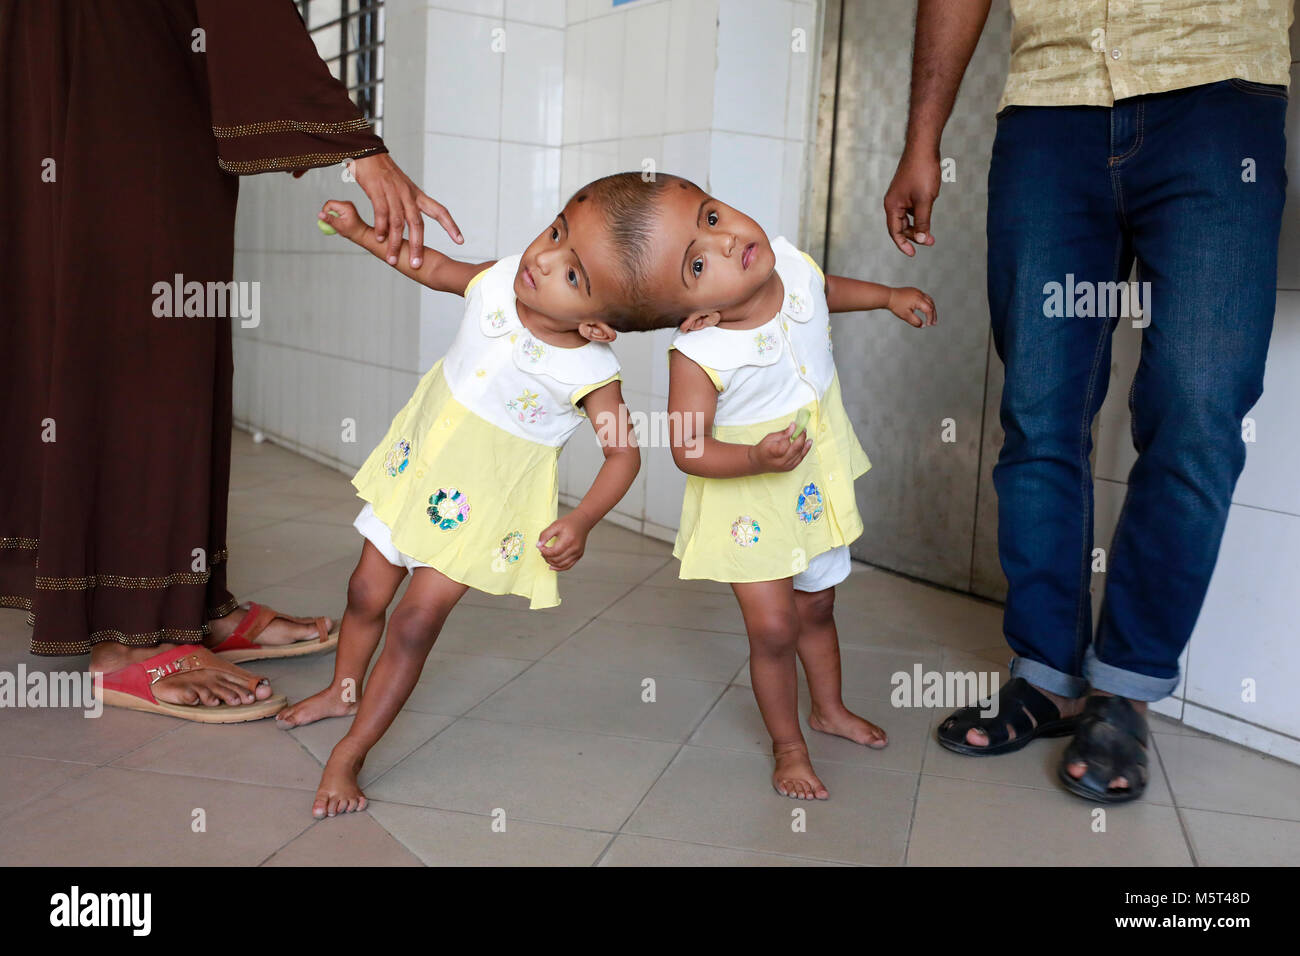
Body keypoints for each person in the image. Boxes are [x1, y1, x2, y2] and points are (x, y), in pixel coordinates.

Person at [1, 0, 462, 721]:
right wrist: (353, 144)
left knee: (143, 311)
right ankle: (128, 635)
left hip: (112, 54)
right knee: (139, 321)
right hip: (112, 67)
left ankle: (188, 601)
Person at [884, 0, 1293, 802]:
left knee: (1199, 409)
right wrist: (922, 138)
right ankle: (1046, 676)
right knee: (1038, 412)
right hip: (1049, 107)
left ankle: (1124, 688)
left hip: (1220, 93)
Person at [277, 176, 651, 818]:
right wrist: (361, 232)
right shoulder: (500, 282)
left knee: (415, 622)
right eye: (556, 233)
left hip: (480, 510)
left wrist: (583, 519)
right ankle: (344, 690)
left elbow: (624, 454)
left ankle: (351, 752)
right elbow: (429, 265)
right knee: (364, 593)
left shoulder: (592, 373)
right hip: (415, 472)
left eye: (571, 272)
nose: (543, 257)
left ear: (597, 325)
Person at [607, 173, 936, 799]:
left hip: (810, 478)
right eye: (699, 262)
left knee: (818, 604)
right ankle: (788, 747)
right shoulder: (698, 354)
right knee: (774, 629)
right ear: (694, 311)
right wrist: (756, 456)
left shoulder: (788, 261)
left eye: (710, 216)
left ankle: (829, 708)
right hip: (747, 497)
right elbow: (688, 448)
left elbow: (825, 290)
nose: (727, 241)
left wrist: (888, 295)